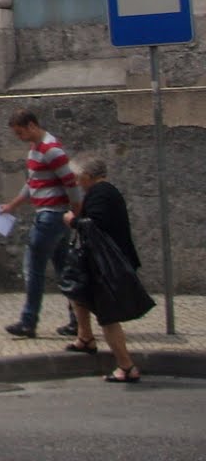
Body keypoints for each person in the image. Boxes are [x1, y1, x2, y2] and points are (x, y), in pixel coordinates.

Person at [62, 154, 145, 382]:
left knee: (108, 318)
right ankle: (85, 338)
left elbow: (94, 225)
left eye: (79, 177)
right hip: (101, 263)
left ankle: (126, 367)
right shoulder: (105, 192)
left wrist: (72, 221)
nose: (77, 182)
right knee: (76, 293)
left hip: (108, 267)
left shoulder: (101, 194)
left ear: (88, 176)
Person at [0, 108, 80, 338]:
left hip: (52, 216)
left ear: (32, 126)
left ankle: (28, 321)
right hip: (53, 215)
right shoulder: (35, 150)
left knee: (34, 268)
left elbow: (70, 183)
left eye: (21, 133)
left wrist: (77, 212)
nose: (20, 138)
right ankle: (77, 321)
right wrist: (12, 206)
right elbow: (32, 183)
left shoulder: (51, 150)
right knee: (64, 270)